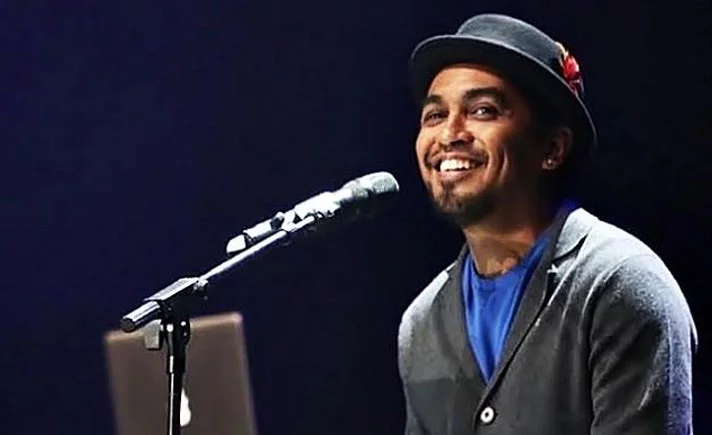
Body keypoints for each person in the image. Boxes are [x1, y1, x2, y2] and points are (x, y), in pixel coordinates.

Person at [397, 13, 697, 434]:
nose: (449, 133)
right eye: (434, 115)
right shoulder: (422, 322)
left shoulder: (617, 284)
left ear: (552, 148)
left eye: (482, 110)